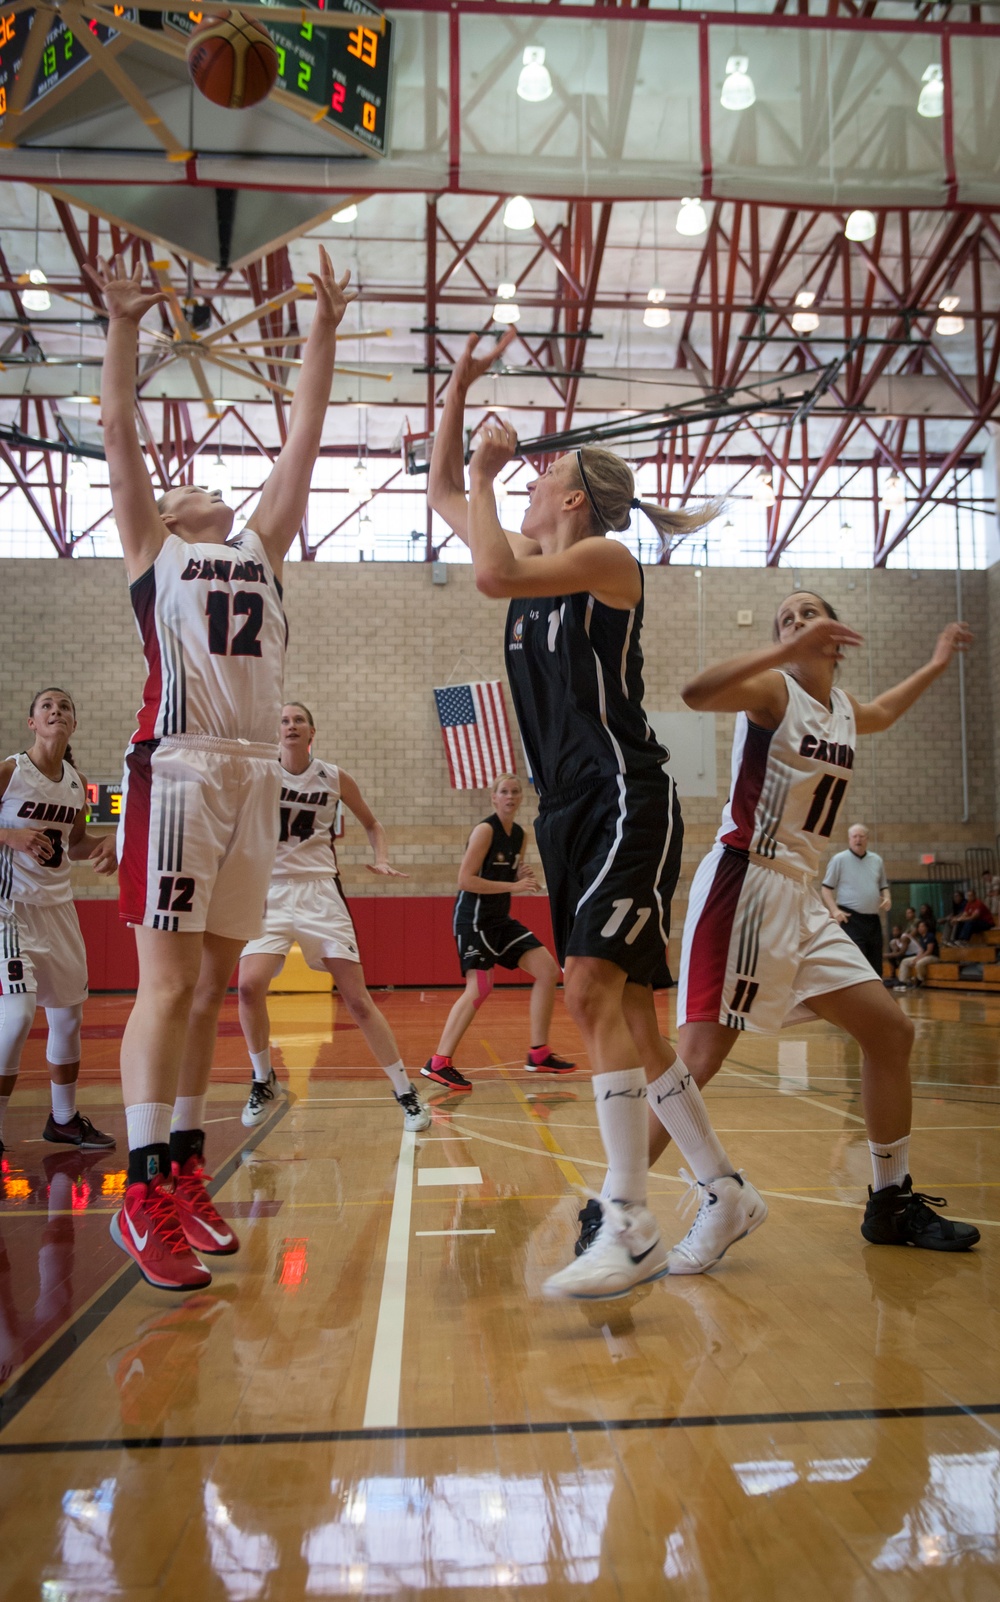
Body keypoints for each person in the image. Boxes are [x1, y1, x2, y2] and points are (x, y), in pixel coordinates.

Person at [428, 331, 761, 1301]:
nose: (530, 476)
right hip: (569, 808)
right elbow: (445, 498)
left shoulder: (605, 559)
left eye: (545, 472)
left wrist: (487, 477)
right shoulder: (535, 547)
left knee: (584, 991)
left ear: (573, 497)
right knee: (633, 1023)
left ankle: (626, 1219)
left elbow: (485, 564)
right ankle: (722, 1191)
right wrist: (454, 388)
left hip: (624, 794)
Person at [87, 248, 355, 1291]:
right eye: (186, 478)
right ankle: (140, 1193)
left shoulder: (261, 548)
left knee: (206, 987)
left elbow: (303, 441)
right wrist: (122, 329)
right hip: (181, 769)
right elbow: (118, 433)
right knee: (165, 984)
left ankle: (186, 1167)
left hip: (250, 780)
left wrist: (321, 332)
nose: (203, 481)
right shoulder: (153, 546)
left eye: (210, 481)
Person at [654, 593, 979, 1255]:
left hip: (801, 895)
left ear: (835, 638)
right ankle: (615, 1205)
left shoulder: (845, 712)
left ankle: (889, 1202)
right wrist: (780, 651)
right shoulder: (775, 690)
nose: (797, 623)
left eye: (809, 616)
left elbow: (884, 709)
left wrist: (938, 662)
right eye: (786, 620)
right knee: (699, 1058)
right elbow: (694, 692)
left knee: (889, 1032)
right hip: (746, 882)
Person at [237, 702, 431, 1132]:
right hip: (269, 892)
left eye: (298, 720)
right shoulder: (260, 773)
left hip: (321, 892)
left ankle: (405, 1091)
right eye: (284, 720)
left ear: (312, 732)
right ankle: (262, 1077)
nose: (290, 725)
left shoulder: (333, 776)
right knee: (249, 987)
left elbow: (373, 823)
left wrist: (380, 859)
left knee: (358, 1000)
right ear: (277, 733)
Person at [0, 688, 117, 1156]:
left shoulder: (75, 781)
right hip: (11, 909)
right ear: (32, 722)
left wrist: (108, 844)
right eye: (47, 706)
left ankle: (64, 1120)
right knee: (18, 1016)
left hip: (59, 911)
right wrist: (11, 835)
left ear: (73, 723)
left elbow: (78, 843)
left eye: (65, 706)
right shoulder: (10, 771)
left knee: (68, 1016)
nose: (56, 711)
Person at [422, 771, 575, 1092]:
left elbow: (506, 869)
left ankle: (539, 1053)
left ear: (521, 798)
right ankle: (438, 1062)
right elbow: (465, 880)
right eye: (504, 791)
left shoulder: (520, 834)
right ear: (494, 798)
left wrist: (519, 872)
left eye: (515, 792)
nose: (510, 796)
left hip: (499, 920)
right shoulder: (484, 830)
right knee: (479, 987)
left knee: (548, 970)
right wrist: (515, 885)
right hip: (474, 918)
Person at [821, 823, 890, 975]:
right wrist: (835, 910)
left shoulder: (876, 860)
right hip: (850, 918)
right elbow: (826, 888)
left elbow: (883, 885)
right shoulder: (839, 859)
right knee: (856, 961)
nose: (858, 840)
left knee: (876, 961)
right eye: (854, 836)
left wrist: (887, 897)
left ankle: (875, 997)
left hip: (873, 920)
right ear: (849, 839)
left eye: (861, 836)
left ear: (867, 839)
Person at [897, 920, 939, 987]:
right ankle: (903, 981)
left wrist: (918, 959)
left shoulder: (930, 936)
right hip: (925, 956)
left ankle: (920, 980)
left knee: (919, 963)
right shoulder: (921, 938)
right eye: (919, 927)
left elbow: (929, 951)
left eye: (922, 926)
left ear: (926, 928)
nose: (920, 928)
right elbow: (921, 950)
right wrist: (916, 958)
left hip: (933, 956)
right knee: (904, 961)